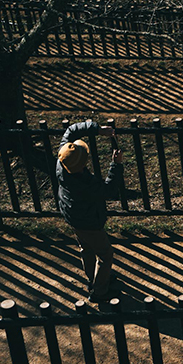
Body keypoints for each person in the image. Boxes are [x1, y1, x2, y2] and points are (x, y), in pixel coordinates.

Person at [56, 120, 124, 303]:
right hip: (89, 222)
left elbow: (71, 130)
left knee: (85, 249)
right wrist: (115, 165)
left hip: (72, 216)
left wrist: (97, 129)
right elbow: (109, 190)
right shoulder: (85, 185)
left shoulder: (62, 160)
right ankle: (100, 291)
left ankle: (93, 279)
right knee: (105, 254)